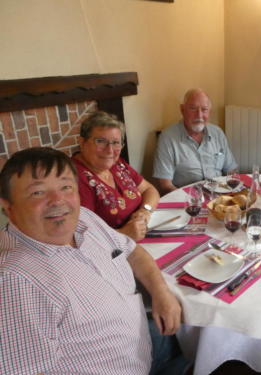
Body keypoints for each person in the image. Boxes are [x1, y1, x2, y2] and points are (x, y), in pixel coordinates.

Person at [0, 147, 188, 375]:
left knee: (207, 339)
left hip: (143, 342)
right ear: (8, 208)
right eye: (38, 193)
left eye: (66, 187)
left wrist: (161, 293)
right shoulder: (14, 279)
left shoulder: (84, 219)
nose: (58, 200)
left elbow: (132, 251)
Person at [72, 111, 160, 242]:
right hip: (113, 251)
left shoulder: (116, 164)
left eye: (115, 142)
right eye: (100, 141)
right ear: (82, 142)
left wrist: (145, 210)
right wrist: (123, 234)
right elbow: (81, 237)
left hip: (140, 236)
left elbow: (150, 190)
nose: (110, 150)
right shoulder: (75, 178)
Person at [153, 88, 238, 195]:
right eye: (193, 108)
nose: (199, 115)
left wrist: (231, 193)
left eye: (204, 109)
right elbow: (165, 185)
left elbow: (231, 170)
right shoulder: (167, 138)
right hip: (187, 201)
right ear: (182, 110)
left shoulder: (217, 133)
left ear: (209, 112)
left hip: (219, 197)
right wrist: (192, 200)